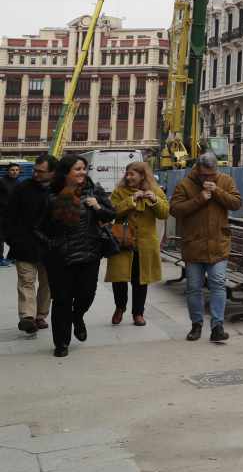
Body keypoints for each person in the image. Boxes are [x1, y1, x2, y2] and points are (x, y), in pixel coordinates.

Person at [41, 155, 114, 358]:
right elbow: (36, 227)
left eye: (84, 168)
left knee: (86, 296)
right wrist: (51, 245)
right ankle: (61, 343)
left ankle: (78, 316)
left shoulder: (93, 191)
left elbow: (111, 214)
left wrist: (97, 207)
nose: (83, 172)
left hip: (89, 255)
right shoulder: (49, 195)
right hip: (60, 258)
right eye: (78, 169)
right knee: (62, 300)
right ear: (66, 172)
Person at [169, 152, 242, 344]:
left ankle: (217, 326)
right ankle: (196, 325)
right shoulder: (185, 184)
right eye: (204, 175)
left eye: (212, 175)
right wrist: (199, 199)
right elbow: (175, 210)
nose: (208, 179)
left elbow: (236, 203)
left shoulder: (225, 180)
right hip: (194, 245)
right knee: (194, 287)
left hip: (219, 243)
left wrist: (217, 191)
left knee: (217, 283)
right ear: (198, 171)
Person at [105, 161, 169, 327]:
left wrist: (155, 200)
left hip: (145, 243)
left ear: (142, 175)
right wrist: (130, 200)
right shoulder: (119, 191)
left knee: (140, 280)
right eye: (127, 174)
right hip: (122, 241)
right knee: (119, 278)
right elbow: (112, 212)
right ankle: (120, 307)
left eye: (132, 174)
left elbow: (164, 213)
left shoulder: (155, 190)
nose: (128, 177)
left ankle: (138, 313)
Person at [7, 153, 54, 333]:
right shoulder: (22, 188)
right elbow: (9, 215)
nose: (36, 174)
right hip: (24, 244)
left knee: (47, 283)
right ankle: (27, 317)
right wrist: (11, 239)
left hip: (49, 246)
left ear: (52, 172)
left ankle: (41, 316)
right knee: (26, 281)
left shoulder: (57, 190)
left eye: (41, 172)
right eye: (35, 170)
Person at [0, 161, 18, 266]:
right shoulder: (2, 182)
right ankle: (0, 259)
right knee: (0, 238)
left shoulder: (19, 183)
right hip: (2, 215)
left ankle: (11, 257)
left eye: (16, 170)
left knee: (14, 237)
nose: (14, 172)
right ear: (7, 171)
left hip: (13, 216)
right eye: (12, 170)